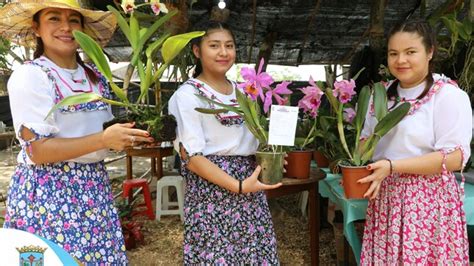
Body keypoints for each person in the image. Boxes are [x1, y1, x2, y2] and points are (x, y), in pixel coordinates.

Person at [0, 0, 153, 264]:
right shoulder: (31, 76)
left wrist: (127, 138)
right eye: (54, 18)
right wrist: (103, 139)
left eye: (73, 20)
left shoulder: (95, 77)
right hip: (48, 191)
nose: (65, 27)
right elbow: (37, 151)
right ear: (36, 27)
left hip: (93, 187)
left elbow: (104, 135)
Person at [358, 19, 472, 264]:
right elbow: (365, 144)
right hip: (385, 198)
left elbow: (455, 158)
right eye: (393, 53)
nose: (401, 61)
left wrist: (393, 166)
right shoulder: (380, 94)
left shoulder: (448, 96)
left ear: (429, 52)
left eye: (410, 52)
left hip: (427, 203)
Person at [168, 20, 282, 264]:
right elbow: (192, 157)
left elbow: (255, 140)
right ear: (197, 51)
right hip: (211, 194)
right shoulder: (187, 95)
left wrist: (273, 159)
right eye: (214, 45)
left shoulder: (244, 92)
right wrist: (238, 186)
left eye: (229, 45)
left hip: (250, 189)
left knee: (255, 256)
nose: (223, 52)